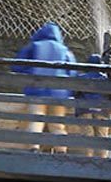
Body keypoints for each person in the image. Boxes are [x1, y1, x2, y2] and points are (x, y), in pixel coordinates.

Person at [15, 23, 76, 153]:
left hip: (37, 89)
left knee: (36, 119)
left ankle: (34, 147)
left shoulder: (34, 46)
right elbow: (73, 72)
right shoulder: (64, 50)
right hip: (59, 92)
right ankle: (61, 150)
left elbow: (17, 66)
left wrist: (30, 73)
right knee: (57, 123)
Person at [73, 53, 111, 159]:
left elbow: (74, 92)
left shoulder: (81, 78)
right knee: (102, 137)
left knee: (88, 136)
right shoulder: (106, 79)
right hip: (102, 111)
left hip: (84, 110)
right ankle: (103, 161)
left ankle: (88, 160)